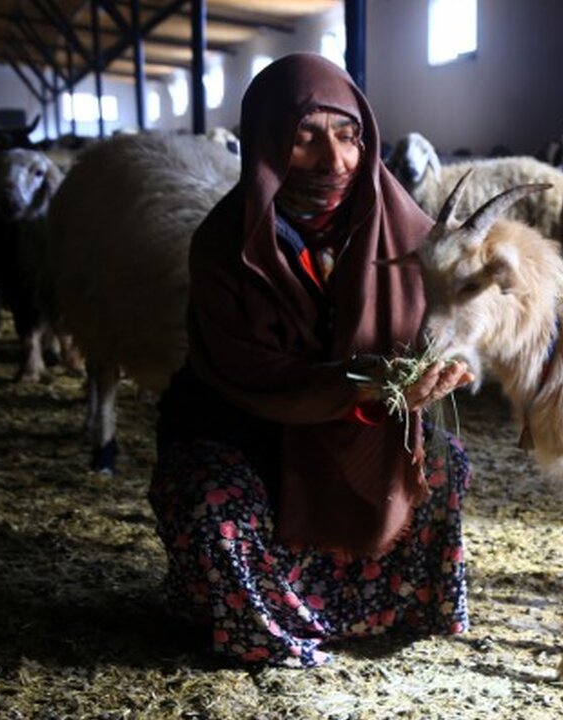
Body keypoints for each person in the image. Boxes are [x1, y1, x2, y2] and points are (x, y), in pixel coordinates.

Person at [148, 53, 475, 667]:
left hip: (358, 425)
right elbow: (246, 370)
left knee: (444, 461)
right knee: (210, 502)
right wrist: (358, 386)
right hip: (243, 427)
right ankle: (263, 622)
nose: (336, 161)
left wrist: (444, 366)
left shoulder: (404, 232)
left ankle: (387, 611)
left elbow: (444, 324)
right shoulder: (225, 245)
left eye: (349, 136)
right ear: (266, 142)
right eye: (305, 138)